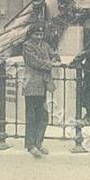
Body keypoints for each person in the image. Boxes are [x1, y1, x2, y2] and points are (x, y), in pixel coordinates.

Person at [22, 23, 60, 159]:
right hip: (31, 84)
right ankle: (30, 145)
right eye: (36, 34)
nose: (38, 37)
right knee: (31, 116)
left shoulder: (45, 45)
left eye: (40, 34)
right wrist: (50, 63)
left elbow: (54, 54)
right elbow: (34, 62)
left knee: (43, 116)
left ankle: (39, 142)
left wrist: (55, 58)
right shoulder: (27, 46)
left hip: (43, 84)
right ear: (31, 35)